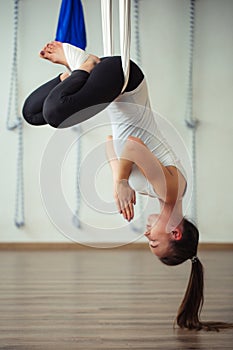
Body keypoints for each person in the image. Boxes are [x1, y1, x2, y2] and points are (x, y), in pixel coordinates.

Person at [22, 41, 232, 331]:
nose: (147, 235)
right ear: (175, 232)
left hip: (111, 91)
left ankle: (74, 73)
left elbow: (112, 144)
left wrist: (121, 180)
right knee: (56, 114)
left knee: (33, 113)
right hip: (124, 81)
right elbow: (132, 146)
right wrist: (120, 181)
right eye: (154, 241)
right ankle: (84, 64)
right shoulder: (170, 191)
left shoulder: (157, 193)